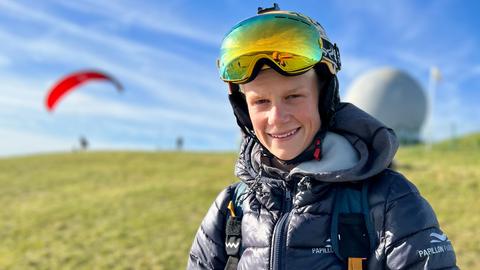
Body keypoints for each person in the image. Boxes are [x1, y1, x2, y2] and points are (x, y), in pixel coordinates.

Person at [188, 4, 458, 270]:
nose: (276, 117)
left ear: (324, 98)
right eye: (260, 102)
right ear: (243, 111)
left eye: (293, 96)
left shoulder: (389, 201)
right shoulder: (231, 208)